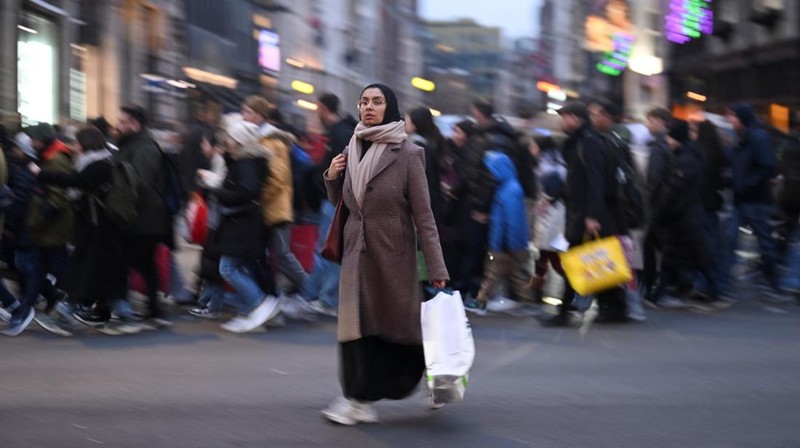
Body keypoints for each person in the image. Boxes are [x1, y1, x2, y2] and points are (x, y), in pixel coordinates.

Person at [321, 83, 448, 425]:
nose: (368, 107)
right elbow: (346, 205)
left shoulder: (409, 154)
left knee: (398, 330)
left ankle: (436, 375)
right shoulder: (351, 146)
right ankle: (357, 400)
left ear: (390, 108)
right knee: (355, 329)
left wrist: (436, 265)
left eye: (377, 102)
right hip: (355, 254)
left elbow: (424, 216)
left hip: (393, 257)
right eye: (364, 102)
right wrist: (332, 177)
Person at [29, 126, 127, 327]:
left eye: (77, 142)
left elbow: (76, 181)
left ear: (84, 143)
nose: (74, 146)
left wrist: (41, 174)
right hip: (95, 225)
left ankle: (71, 311)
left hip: (97, 226)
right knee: (93, 270)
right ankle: (99, 310)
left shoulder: (99, 164)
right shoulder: (97, 160)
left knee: (83, 268)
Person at [540, 101, 626, 327]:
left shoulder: (589, 142)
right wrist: (553, 198)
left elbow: (595, 180)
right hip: (581, 210)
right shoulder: (578, 142)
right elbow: (575, 180)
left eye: (564, 116)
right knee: (594, 261)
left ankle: (566, 311)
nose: (561, 121)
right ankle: (615, 306)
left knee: (576, 261)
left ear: (575, 119)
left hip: (586, 213)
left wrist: (592, 216)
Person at [208, 121, 281, 333]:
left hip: (242, 221)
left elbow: (245, 192)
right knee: (242, 266)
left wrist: (215, 187)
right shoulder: (244, 160)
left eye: (229, 138)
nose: (225, 141)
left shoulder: (246, 163)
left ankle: (260, 304)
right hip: (242, 220)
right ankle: (256, 310)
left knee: (228, 268)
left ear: (239, 140)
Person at [4, 123, 75, 336]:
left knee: (60, 271)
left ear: (42, 140)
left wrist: (38, 221)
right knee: (37, 272)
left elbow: (57, 198)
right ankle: (24, 312)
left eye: (34, 139)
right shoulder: (46, 158)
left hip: (53, 229)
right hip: (46, 229)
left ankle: (83, 301)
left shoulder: (56, 159)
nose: (31, 143)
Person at [296, 92, 358, 317]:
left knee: (327, 250)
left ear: (323, 108)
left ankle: (318, 298)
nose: (315, 114)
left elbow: (340, 170)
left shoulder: (340, 134)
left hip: (335, 200)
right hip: (338, 199)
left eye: (316, 109)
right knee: (331, 251)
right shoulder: (342, 132)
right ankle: (322, 298)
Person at [650, 120, 723, 309]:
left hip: (685, 215)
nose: (667, 140)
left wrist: (660, 214)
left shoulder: (686, 159)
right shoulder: (692, 154)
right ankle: (659, 294)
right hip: (688, 214)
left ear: (678, 138)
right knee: (685, 256)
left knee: (688, 255)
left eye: (670, 136)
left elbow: (676, 190)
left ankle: (658, 295)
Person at [241, 96, 307, 302]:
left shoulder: (272, 142)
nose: (243, 116)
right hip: (264, 207)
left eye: (247, 112)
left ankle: (310, 290)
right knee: (266, 255)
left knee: (282, 256)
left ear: (259, 116)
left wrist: (257, 197)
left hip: (275, 207)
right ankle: (269, 296)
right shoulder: (257, 138)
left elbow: (277, 179)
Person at [115, 104, 172, 327]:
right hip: (140, 217)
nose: (117, 126)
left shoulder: (145, 148)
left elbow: (137, 183)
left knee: (126, 262)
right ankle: (153, 309)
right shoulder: (132, 144)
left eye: (122, 122)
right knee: (144, 264)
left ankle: (125, 310)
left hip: (143, 218)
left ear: (134, 124)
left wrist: (121, 208)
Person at [720, 103, 783, 299]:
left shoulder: (757, 138)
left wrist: (745, 184)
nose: (731, 120)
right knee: (730, 240)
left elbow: (766, 167)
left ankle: (773, 283)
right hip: (742, 199)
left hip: (755, 200)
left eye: (733, 117)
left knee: (763, 242)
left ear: (743, 118)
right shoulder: (742, 138)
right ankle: (723, 284)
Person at [464, 149, 532, 314]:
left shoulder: (510, 190)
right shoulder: (509, 187)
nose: (490, 174)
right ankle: (528, 302)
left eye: (492, 170)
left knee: (492, 273)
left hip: (503, 243)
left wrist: (511, 244)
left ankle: (480, 301)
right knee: (515, 273)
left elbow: (513, 221)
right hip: (507, 242)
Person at [450, 120, 494, 298]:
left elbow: (473, 179)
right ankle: (465, 287)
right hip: (470, 207)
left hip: (471, 208)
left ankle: (464, 288)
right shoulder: (469, 149)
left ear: (467, 134)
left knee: (469, 249)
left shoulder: (472, 151)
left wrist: (479, 207)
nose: (455, 136)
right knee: (469, 249)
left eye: (458, 132)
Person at [641, 107, 676, 305]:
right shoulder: (666, 144)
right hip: (664, 205)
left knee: (655, 248)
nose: (648, 125)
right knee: (654, 247)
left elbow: (654, 179)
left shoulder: (659, 146)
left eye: (650, 121)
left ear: (661, 122)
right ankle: (653, 288)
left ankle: (655, 289)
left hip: (657, 207)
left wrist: (647, 204)